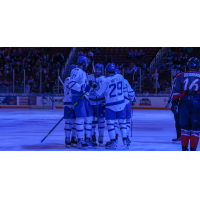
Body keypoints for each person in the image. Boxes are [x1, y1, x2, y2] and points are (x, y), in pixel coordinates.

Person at [93, 63, 130, 150]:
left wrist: (94, 86)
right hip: (121, 103)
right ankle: (125, 140)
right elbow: (124, 88)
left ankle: (113, 141)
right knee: (122, 123)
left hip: (110, 105)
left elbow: (98, 93)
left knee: (111, 124)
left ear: (106, 70)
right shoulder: (120, 76)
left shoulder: (106, 80)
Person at [171, 57, 200, 151]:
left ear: (188, 65)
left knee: (185, 127)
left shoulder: (180, 75)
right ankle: (193, 150)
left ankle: (184, 149)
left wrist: (174, 103)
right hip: (197, 104)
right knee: (195, 128)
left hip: (184, 103)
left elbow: (176, 92)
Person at [68, 56, 96, 149]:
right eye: (86, 62)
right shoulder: (76, 70)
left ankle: (87, 139)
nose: (88, 64)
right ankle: (80, 140)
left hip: (85, 98)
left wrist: (90, 88)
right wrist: (83, 88)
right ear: (83, 63)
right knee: (80, 119)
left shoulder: (84, 73)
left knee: (89, 118)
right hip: (78, 98)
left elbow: (84, 87)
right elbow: (71, 83)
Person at [115, 69, 136, 144]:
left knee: (115, 122)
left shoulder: (110, 80)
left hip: (115, 103)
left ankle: (114, 137)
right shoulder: (124, 81)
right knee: (126, 121)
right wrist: (133, 98)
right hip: (126, 102)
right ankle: (126, 137)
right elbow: (130, 91)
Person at [88, 63, 106, 146]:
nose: (97, 71)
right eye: (96, 69)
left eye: (99, 69)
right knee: (92, 121)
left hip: (100, 103)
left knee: (101, 121)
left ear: (101, 71)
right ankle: (92, 136)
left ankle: (101, 137)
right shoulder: (90, 77)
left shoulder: (103, 79)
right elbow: (87, 89)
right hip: (91, 103)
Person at [166, 65, 184, 142]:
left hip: (177, 102)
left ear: (178, 71)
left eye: (174, 70)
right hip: (184, 101)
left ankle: (179, 136)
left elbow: (174, 92)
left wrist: (169, 102)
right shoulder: (186, 78)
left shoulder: (177, 78)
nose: (172, 72)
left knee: (177, 119)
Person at [64, 65, 77, 147]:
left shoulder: (71, 79)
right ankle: (67, 138)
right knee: (69, 121)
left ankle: (73, 138)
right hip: (69, 103)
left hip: (75, 103)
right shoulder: (69, 79)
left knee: (75, 122)